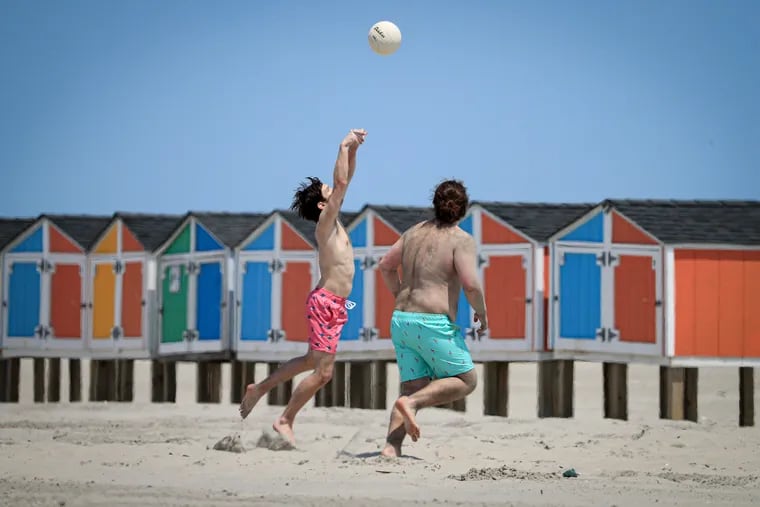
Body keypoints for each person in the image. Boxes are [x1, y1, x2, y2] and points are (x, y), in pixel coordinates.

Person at [238, 128, 367, 445]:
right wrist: (342, 144)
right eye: (328, 192)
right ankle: (285, 419)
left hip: (334, 305)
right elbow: (340, 183)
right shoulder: (325, 226)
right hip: (325, 303)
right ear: (323, 206)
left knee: (312, 362)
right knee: (324, 373)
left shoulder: (333, 221)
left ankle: (260, 388)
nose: (334, 192)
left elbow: (344, 180)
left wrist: (353, 151)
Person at [376, 179, 488, 458]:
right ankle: (411, 405)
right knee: (467, 380)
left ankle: (391, 448)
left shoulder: (413, 232)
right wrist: (482, 313)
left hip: (401, 319)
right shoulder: (461, 239)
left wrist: (400, 294)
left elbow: (386, 266)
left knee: (412, 383)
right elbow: (471, 284)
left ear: (435, 204)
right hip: (432, 322)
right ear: (463, 209)